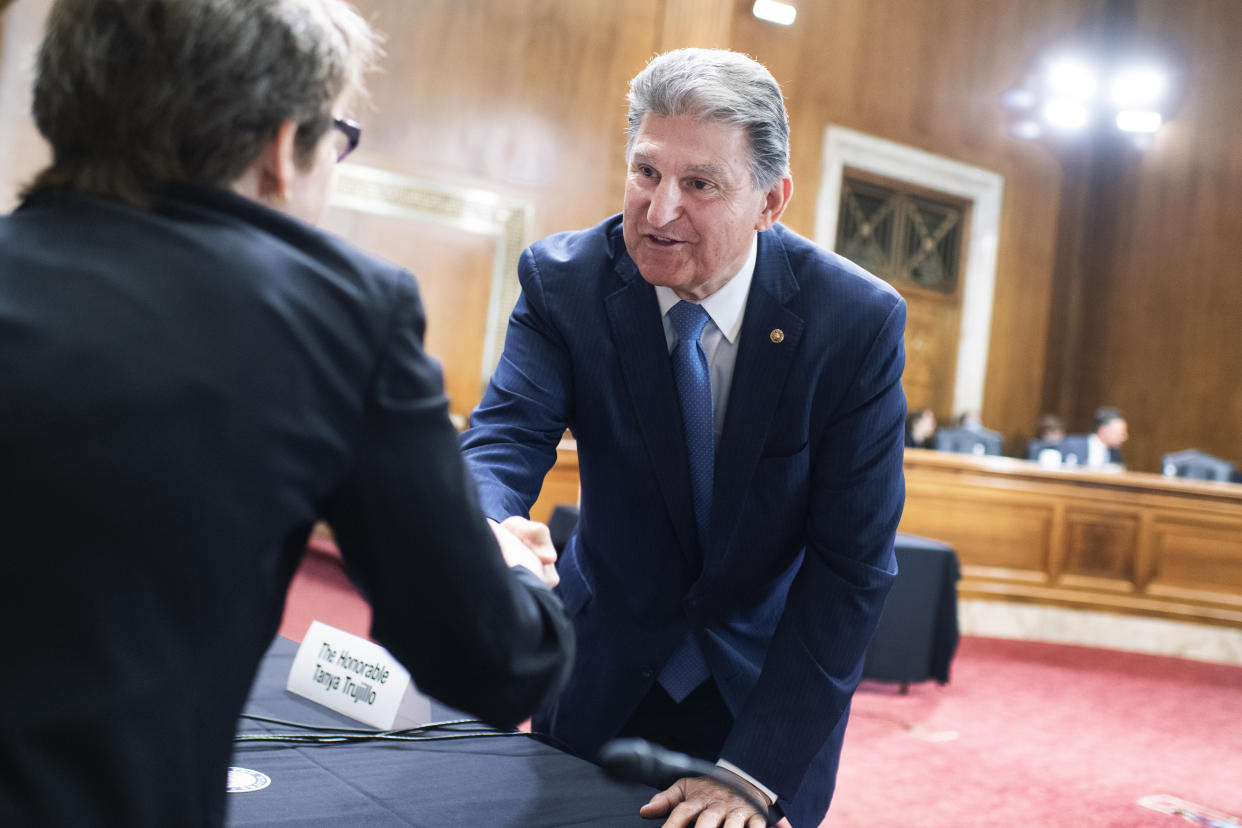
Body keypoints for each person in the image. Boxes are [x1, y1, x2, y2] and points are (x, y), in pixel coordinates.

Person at [0, 1, 572, 825]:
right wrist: (508, 564)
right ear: (280, 147)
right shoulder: (337, 314)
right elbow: (495, 663)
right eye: (336, 137)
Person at [461, 48, 906, 828]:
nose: (660, 210)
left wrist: (751, 773)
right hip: (599, 675)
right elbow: (503, 436)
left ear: (772, 201)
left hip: (764, 697)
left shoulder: (854, 323)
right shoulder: (564, 284)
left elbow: (851, 568)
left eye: (700, 184)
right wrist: (491, 521)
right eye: (645, 173)